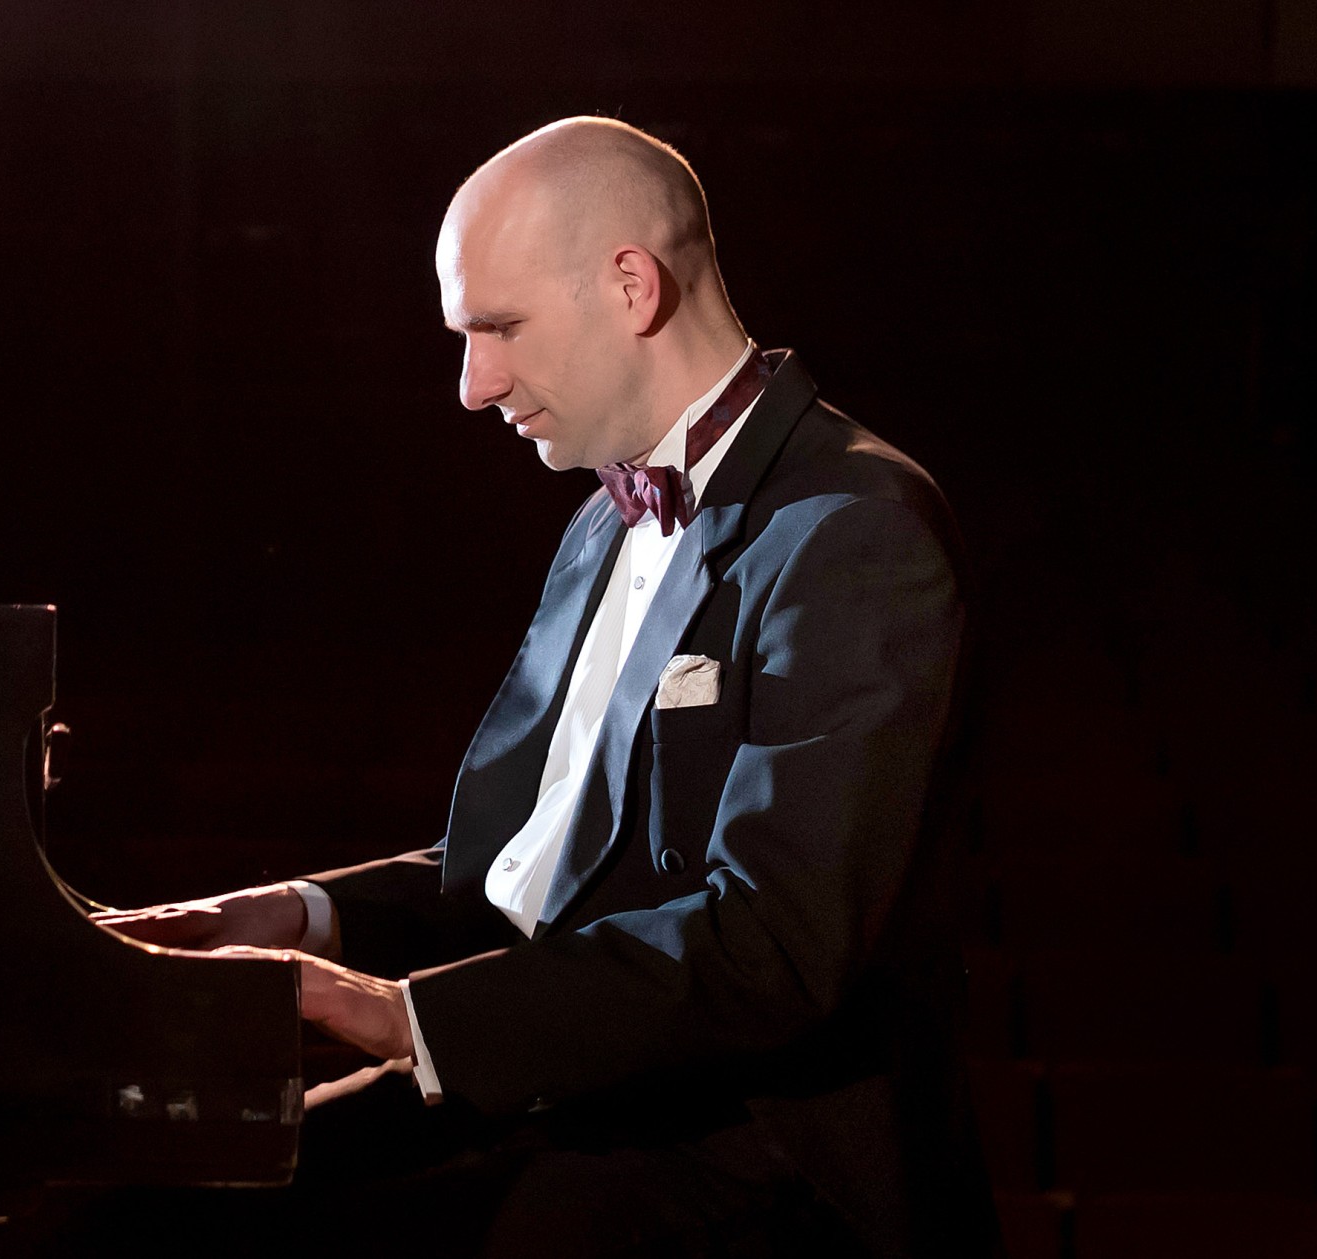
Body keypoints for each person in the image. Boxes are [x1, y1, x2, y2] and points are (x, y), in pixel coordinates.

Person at [95, 116, 1001, 1258]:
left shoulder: (857, 526)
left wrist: (390, 1011)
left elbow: (775, 946)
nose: (474, 385)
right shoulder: (597, 519)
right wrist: (295, 913)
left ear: (631, 285)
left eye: (497, 327)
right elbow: (535, 867)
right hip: (578, 1094)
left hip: (749, 1155)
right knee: (148, 1203)